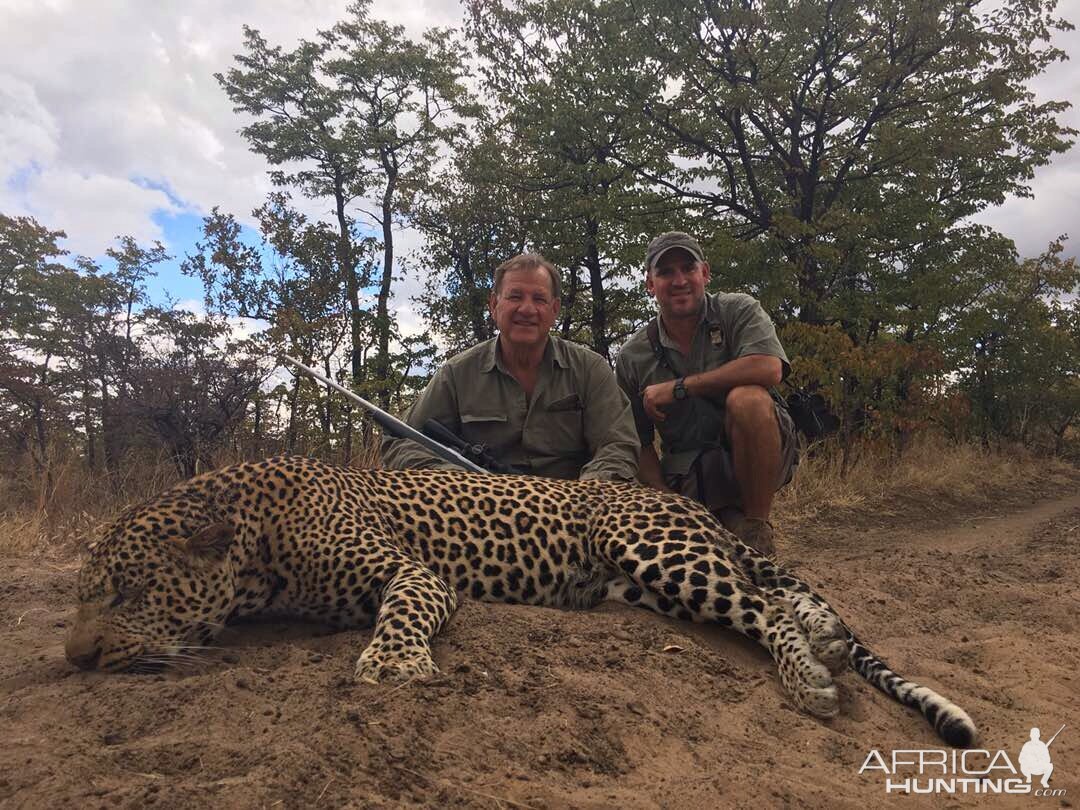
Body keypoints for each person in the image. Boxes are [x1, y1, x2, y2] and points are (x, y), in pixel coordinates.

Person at [382, 253, 640, 482]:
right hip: (479, 512)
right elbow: (402, 441)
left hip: (573, 513)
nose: (527, 309)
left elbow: (618, 445)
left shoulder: (590, 369)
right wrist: (458, 483)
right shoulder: (456, 373)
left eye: (539, 299)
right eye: (515, 296)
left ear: (554, 309)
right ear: (494, 305)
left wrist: (584, 494)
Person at [615, 232, 797, 555]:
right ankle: (722, 520)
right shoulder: (632, 355)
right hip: (689, 476)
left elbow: (770, 368)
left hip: (762, 453)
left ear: (706, 273)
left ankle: (757, 532)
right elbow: (636, 442)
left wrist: (681, 387)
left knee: (748, 400)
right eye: (665, 272)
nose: (679, 280)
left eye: (688, 268)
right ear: (650, 285)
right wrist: (665, 500)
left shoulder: (738, 309)